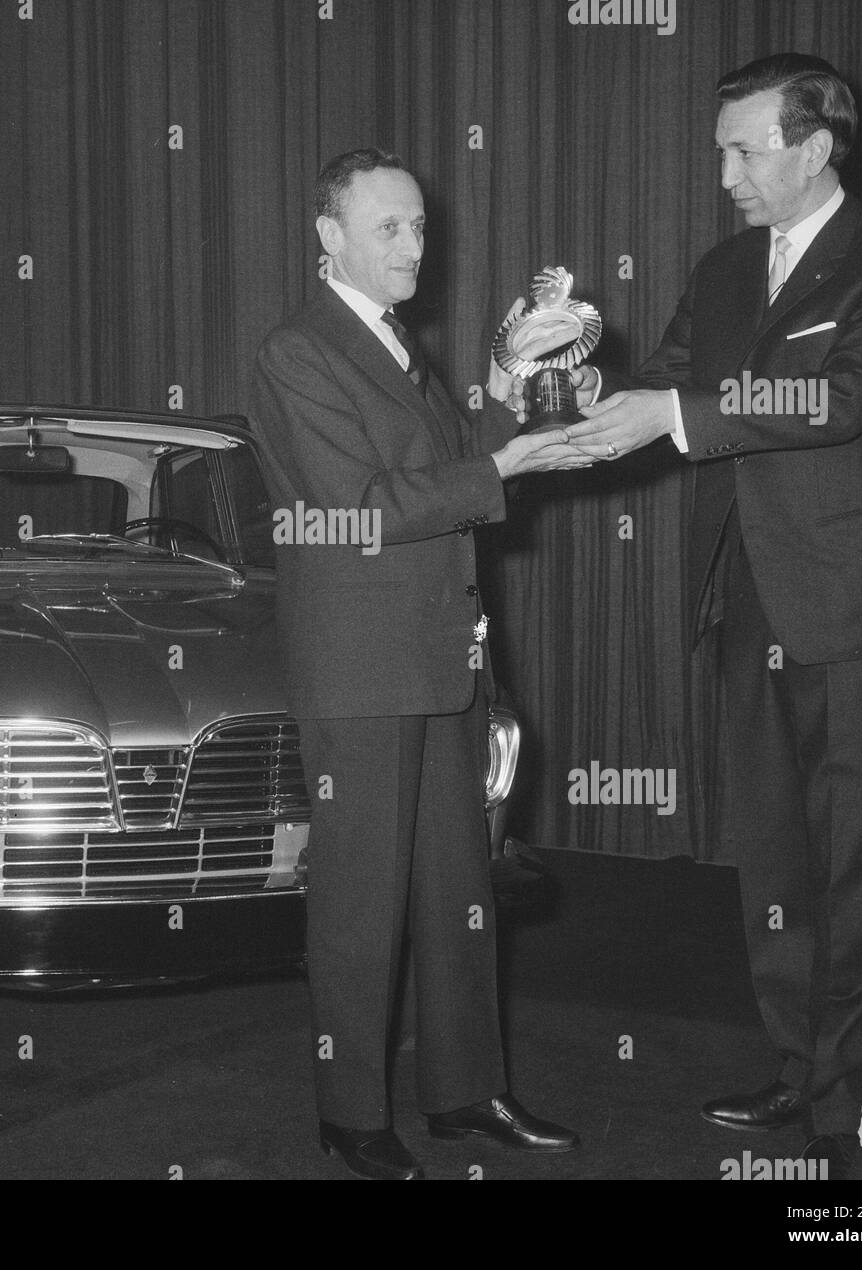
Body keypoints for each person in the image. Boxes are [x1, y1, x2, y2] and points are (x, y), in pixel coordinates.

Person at [565, 54, 862, 1179]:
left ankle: (844, 1103)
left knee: (857, 865)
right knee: (775, 857)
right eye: (722, 148)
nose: (724, 169)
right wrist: (565, 380)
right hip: (748, 599)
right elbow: (669, 383)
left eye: (745, 148)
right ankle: (796, 1066)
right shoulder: (728, 266)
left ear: (815, 147)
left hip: (859, 608)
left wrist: (670, 409)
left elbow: (832, 399)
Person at [251, 147, 588, 1180]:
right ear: (329, 238)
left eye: (419, 227)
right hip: (359, 666)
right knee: (359, 900)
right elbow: (368, 507)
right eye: (387, 228)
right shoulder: (298, 352)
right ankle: (349, 1110)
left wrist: (504, 381)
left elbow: (449, 464)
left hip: (441, 653)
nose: (412, 246)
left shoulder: (395, 344)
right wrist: (505, 461)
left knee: (459, 887)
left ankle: (466, 1090)